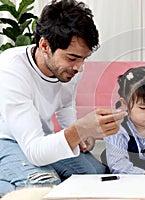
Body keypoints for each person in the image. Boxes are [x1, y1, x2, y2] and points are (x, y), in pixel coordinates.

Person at [0, 0, 127, 196]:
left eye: (84, 58)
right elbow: (34, 150)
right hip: (5, 140)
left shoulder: (72, 69)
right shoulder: (12, 69)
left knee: (97, 175)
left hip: (39, 139)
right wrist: (80, 129)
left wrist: (81, 137)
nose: (79, 67)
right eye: (72, 58)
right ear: (44, 45)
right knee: (44, 187)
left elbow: (65, 104)